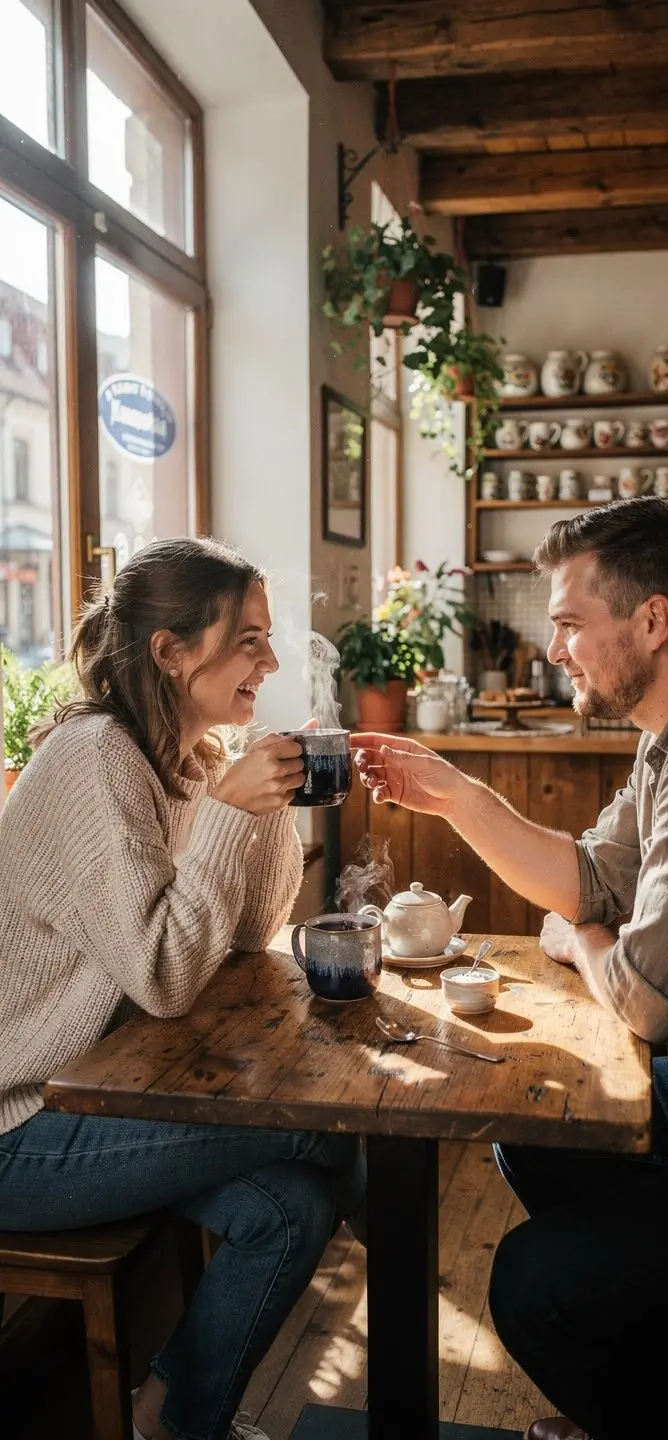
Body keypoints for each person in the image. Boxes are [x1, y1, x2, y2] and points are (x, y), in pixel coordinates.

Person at [352, 497, 668, 1440]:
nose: (554, 647)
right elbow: (595, 878)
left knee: (534, 1285)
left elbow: (647, 997)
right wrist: (453, 795)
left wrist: (590, 942)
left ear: (652, 620)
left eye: (569, 623)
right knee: (540, 1134)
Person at [0, 537, 365, 1440]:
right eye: (248, 640)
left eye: (267, 640)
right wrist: (230, 815)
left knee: (302, 1202)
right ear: (170, 650)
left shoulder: (188, 760)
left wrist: (260, 807)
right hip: (21, 1124)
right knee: (328, 1125)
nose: (271, 661)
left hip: (113, 1094)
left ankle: (168, 1418)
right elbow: (167, 977)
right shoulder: (96, 760)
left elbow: (239, 948)